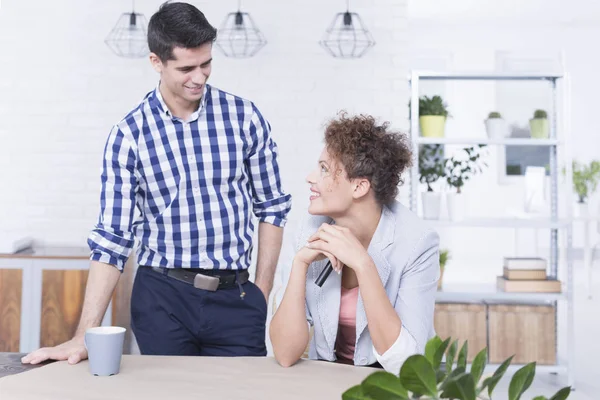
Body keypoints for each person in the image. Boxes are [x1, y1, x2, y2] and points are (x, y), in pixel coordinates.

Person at [22, 1, 291, 365]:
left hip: (236, 299)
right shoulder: (129, 135)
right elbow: (112, 239)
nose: (199, 77)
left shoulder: (245, 118)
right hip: (162, 298)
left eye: (206, 63)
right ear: (156, 62)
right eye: (186, 68)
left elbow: (272, 206)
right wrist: (84, 334)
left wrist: (262, 290)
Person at [269, 112, 439, 374]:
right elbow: (284, 353)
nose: (310, 177)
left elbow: (407, 366)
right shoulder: (309, 228)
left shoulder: (416, 243)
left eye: (324, 169)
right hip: (327, 380)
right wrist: (300, 264)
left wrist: (363, 264)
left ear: (359, 187)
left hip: (389, 383)